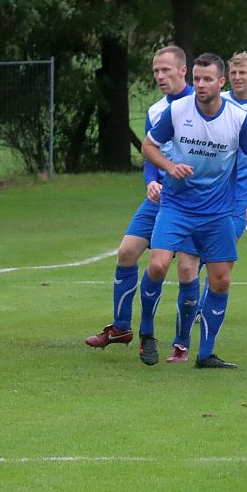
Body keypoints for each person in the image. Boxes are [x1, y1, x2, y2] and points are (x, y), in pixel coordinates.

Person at [140, 53, 247, 369]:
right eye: (196, 78)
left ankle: (205, 353)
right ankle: (146, 333)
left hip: (217, 212)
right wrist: (169, 167)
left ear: (221, 82)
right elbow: (148, 146)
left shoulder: (237, 118)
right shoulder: (177, 111)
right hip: (176, 206)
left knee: (220, 280)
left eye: (208, 79)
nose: (200, 84)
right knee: (157, 265)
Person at [85, 46, 202, 363]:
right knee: (126, 252)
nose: (160, 77)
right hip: (162, 199)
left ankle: (181, 342)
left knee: (187, 268)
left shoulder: (202, 105)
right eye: (155, 72)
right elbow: (151, 154)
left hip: (197, 203)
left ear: (182, 70)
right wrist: (151, 180)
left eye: (166, 70)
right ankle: (121, 327)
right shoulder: (155, 111)